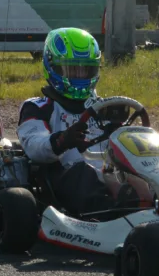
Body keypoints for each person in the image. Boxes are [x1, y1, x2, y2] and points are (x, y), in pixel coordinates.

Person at [18, 27, 117, 217]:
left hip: (113, 175)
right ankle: (112, 215)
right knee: (83, 174)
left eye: (85, 69)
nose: (79, 76)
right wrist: (62, 140)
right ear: (52, 67)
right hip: (67, 177)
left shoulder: (106, 107)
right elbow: (33, 145)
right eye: (72, 69)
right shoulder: (39, 107)